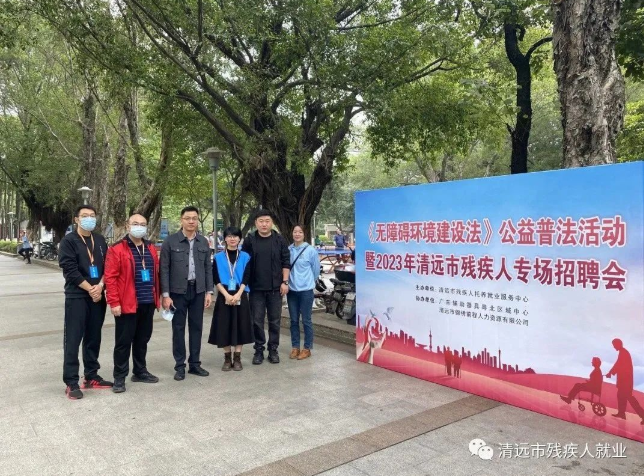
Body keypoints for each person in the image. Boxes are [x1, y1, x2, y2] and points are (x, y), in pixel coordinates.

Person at [58, 205, 112, 399]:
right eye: (84, 216)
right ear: (76, 219)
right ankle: (71, 381)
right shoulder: (68, 241)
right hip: (77, 296)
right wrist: (90, 289)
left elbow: (108, 266)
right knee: (73, 339)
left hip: (98, 295)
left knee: (93, 337)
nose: (89, 219)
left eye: (92, 215)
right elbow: (70, 270)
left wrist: (101, 286)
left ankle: (91, 375)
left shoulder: (100, 240)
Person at [104, 214, 161, 393]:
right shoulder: (117, 249)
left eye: (143, 224)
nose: (139, 227)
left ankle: (140, 371)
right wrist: (114, 302)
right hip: (127, 304)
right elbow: (110, 278)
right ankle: (119, 377)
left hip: (148, 302)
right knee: (123, 342)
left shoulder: (150, 247)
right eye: (135, 223)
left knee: (142, 339)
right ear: (127, 226)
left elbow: (156, 273)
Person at [160, 206, 214, 381]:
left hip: (198, 291)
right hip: (177, 292)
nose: (191, 221)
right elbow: (164, 269)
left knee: (196, 328)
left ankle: (195, 364)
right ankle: (180, 366)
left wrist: (209, 292)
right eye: (188, 218)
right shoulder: (170, 241)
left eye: (194, 218)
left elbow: (208, 268)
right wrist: (165, 295)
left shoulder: (203, 242)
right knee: (178, 329)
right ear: (181, 220)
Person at [241, 210, 290, 365]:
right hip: (256, 289)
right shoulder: (250, 240)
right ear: (256, 223)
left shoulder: (279, 239)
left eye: (267, 221)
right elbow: (244, 262)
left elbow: (286, 261)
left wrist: (285, 282)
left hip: (276, 289)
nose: (264, 224)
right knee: (257, 321)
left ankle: (273, 350)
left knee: (275, 321)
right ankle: (259, 350)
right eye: (261, 221)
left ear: (272, 222)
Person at [208, 227, 253, 371]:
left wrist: (238, 294)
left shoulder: (246, 256)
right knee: (224, 325)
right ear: (225, 239)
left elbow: (247, 276)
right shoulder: (218, 257)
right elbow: (215, 278)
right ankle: (227, 358)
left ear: (240, 239)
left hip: (240, 292)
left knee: (241, 325)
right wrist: (226, 295)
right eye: (229, 236)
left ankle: (237, 358)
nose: (232, 239)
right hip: (224, 293)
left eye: (235, 236)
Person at [287, 225, 320, 360]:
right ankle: (295, 347)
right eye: (295, 232)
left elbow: (316, 270)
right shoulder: (289, 250)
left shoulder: (311, 250)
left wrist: (308, 282)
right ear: (292, 233)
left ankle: (307, 348)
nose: (297, 234)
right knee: (293, 320)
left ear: (304, 234)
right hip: (292, 291)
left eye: (300, 232)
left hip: (306, 291)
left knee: (306, 320)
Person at [605, 339, 644, 424]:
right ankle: (621, 413)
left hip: (625, 382)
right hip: (624, 382)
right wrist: (611, 372)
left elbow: (618, 365)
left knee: (630, 398)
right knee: (620, 396)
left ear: (618, 344)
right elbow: (618, 365)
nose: (614, 347)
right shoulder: (622, 352)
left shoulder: (623, 353)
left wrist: (610, 373)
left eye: (614, 345)